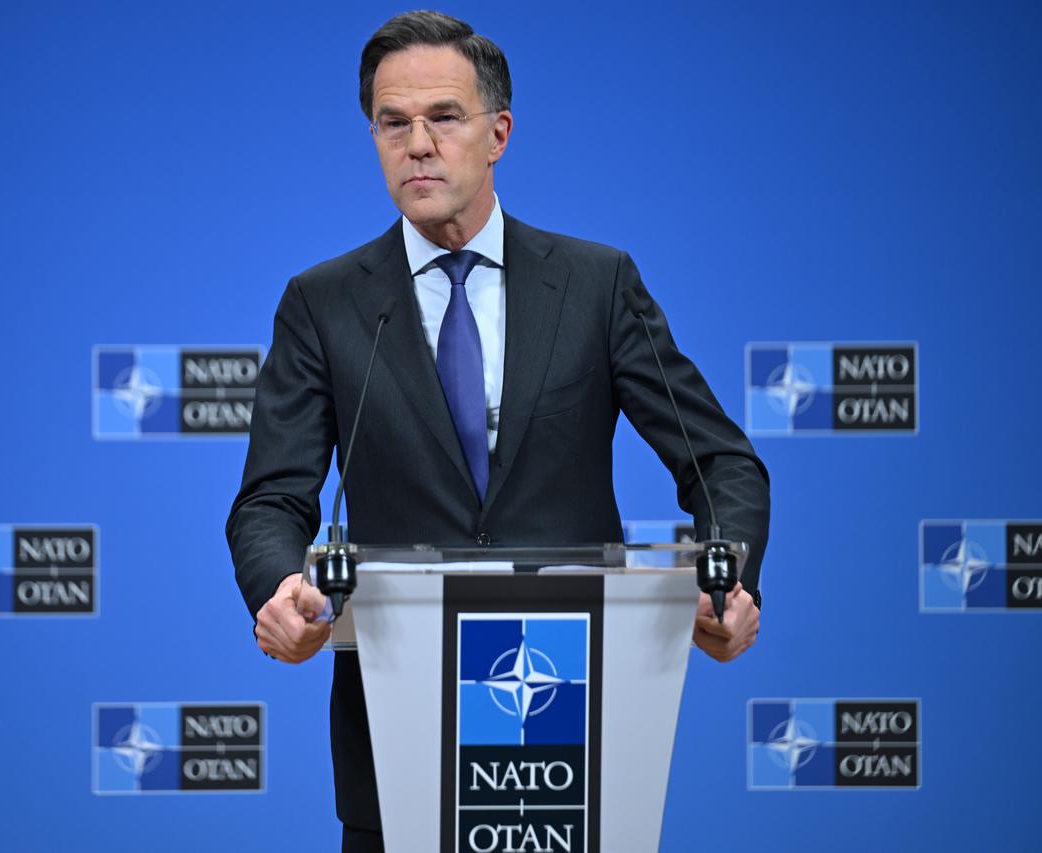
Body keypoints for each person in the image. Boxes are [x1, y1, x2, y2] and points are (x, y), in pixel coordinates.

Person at [226, 11, 770, 852]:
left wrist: (729, 578)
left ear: (498, 133)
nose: (417, 144)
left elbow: (722, 463)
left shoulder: (595, 284)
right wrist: (274, 591)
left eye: (444, 117)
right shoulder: (325, 303)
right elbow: (270, 500)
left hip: (573, 729)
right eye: (392, 122)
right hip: (395, 741)